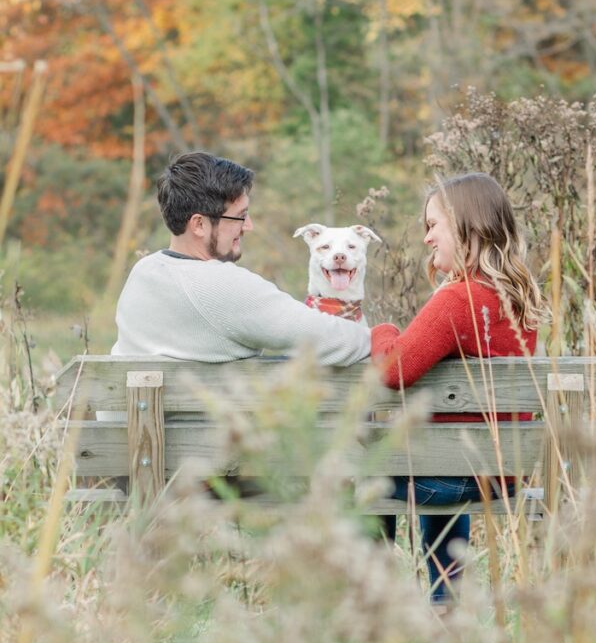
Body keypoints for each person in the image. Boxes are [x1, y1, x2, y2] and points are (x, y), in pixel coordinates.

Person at [371, 172, 543, 606]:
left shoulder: (457, 299)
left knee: (359, 471)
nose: (427, 238)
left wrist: (382, 329)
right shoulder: (517, 299)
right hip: (501, 475)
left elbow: (393, 370)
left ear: (467, 225)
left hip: (450, 479)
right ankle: (445, 604)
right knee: (440, 455)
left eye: (433, 225)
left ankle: (367, 601)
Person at [113, 151, 370, 365]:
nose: (249, 226)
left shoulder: (143, 272)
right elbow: (334, 341)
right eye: (240, 216)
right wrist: (384, 335)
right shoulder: (222, 285)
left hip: (135, 424)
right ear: (200, 224)